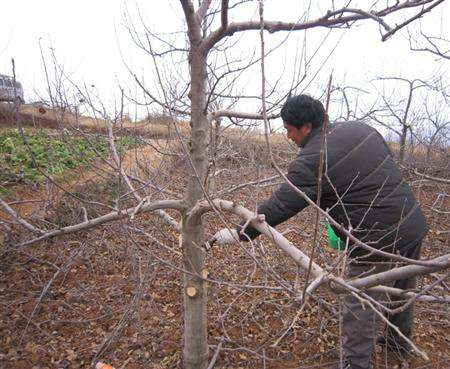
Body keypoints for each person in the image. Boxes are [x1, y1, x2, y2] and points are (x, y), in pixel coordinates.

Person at [208, 95, 428, 369]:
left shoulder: (313, 159)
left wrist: (240, 233)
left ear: (306, 126)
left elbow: (279, 205)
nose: (287, 136)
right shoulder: (361, 129)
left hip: (376, 239)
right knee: (401, 289)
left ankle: (355, 364)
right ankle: (398, 344)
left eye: (289, 129)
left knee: (360, 302)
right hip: (412, 223)